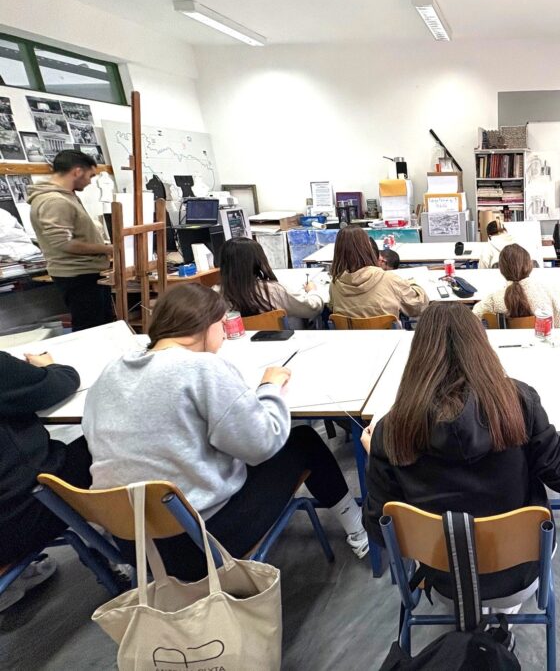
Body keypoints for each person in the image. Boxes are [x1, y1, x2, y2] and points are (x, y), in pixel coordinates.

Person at [82, 284, 367, 580]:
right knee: (303, 441)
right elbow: (263, 443)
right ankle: (359, 530)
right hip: (199, 544)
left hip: (133, 545)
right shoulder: (202, 368)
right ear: (206, 326)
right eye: (222, 325)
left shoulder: (110, 372)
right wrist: (269, 388)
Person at [361, 303, 560, 599]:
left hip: (445, 580)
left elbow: (378, 529)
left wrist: (377, 453)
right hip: (523, 574)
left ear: (418, 355)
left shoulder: (392, 429)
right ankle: (503, 610)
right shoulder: (519, 403)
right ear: (482, 348)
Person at [0, 351, 91, 610]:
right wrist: (51, 365)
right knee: (106, 442)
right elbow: (59, 383)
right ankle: (137, 549)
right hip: (20, 519)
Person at [28, 150, 114, 331]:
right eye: (90, 176)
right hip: (78, 274)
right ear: (77, 172)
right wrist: (108, 249)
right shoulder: (54, 201)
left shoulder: (67, 196)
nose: (90, 182)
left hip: (87, 272)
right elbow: (63, 243)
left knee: (103, 325)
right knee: (90, 329)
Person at [329, 226, 427, 320]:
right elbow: (419, 306)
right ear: (368, 248)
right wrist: (412, 284)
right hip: (387, 332)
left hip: (348, 332)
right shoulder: (389, 279)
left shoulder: (334, 285)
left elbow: (331, 306)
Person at [219, 237, 323, 323]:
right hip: (277, 340)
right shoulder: (272, 290)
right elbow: (312, 309)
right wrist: (312, 291)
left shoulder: (216, 294)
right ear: (257, 261)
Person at [473, 244, 560, 327]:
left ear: (501, 270)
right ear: (530, 265)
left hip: (508, 348)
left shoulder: (493, 300)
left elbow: (474, 316)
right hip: (546, 346)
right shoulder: (549, 292)